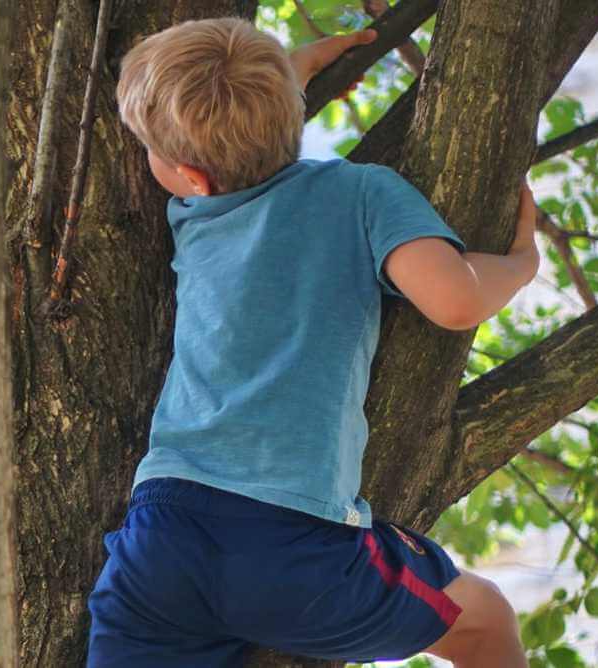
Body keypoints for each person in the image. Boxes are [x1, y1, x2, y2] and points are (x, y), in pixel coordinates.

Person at [88, 18, 539, 667]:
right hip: (290, 549)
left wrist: (289, 69)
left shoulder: (195, 218)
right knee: (485, 619)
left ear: (191, 175)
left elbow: (228, 155)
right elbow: (456, 299)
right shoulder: (360, 195)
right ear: (290, 118)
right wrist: (522, 262)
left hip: (162, 544)